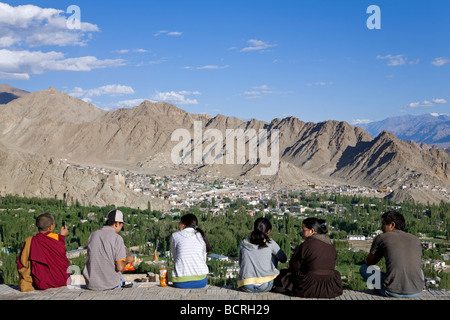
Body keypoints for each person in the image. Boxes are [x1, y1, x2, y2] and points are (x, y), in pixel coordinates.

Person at [273, 217, 343, 298]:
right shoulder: (330, 245)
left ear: (312, 231)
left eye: (304, 230)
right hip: (329, 287)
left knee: (285, 274)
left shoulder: (305, 245)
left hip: (308, 286)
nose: (302, 232)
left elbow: (294, 266)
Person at [360, 210, 424, 298]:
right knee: (419, 271)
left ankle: (385, 288)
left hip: (391, 291)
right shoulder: (416, 239)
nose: (382, 227)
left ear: (392, 225)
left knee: (364, 268)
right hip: (417, 291)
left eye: (383, 224)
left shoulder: (382, 237)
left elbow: (370, 263)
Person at [83, 209, 135, 290]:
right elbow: (120, 267)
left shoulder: (93, 235)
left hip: (91, 285)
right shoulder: (117, 238)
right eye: (122, 225)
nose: (121, 227)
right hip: (110, 285)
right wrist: (128, 260)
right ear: (117, 223)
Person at [17, 213, 70, 291]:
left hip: (41, 283)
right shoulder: (57, 238)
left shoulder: (31, 241)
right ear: (50, 227)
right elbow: (62, 257)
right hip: (61, 281)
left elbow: (21, 263)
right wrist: (62, 237)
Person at [237, 217, 287, 293]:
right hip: (266, 286)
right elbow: (283, 259)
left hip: (246, 285)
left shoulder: (244, 243)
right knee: (274, 254)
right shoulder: (270, 243)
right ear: (268, 231)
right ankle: (268, 275)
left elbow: (241, 263)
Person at [171, 213, 210, 289]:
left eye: (179, 223)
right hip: (201, 281)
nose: (178, 225)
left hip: (180, 282)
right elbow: (203, 259)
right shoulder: (201, 236)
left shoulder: (175, 235)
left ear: (184, 224)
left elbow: (175, 258)